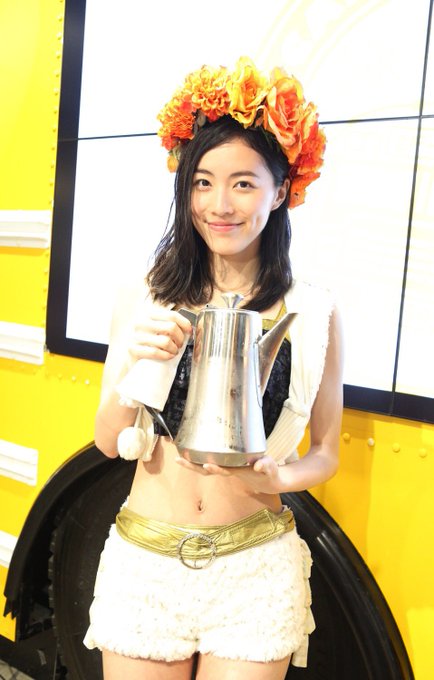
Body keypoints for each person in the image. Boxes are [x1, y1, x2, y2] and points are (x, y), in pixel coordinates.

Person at [84, 56, 343, 680]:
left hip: (256, 567)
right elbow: (107, 439)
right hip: (145, 563)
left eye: (243, 183)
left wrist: (281, 476)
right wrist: (134, 365)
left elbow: (326, 453)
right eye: (202, 182)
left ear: (280, 191)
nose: (219, 204)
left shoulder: (313, 313)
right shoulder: (145, 295)